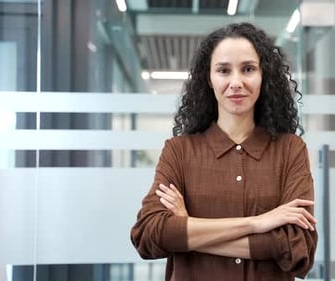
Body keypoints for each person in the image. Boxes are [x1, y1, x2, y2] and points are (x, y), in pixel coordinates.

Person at [130, 22, 318, 281]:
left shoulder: (290, 150)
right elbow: (149, 234)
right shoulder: (179, 151)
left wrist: (190, 229)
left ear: (264, 76)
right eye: (223, 70)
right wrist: (257, 223)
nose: (236, 82)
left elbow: (297, 249)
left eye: (248, 69)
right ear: (209, 78)